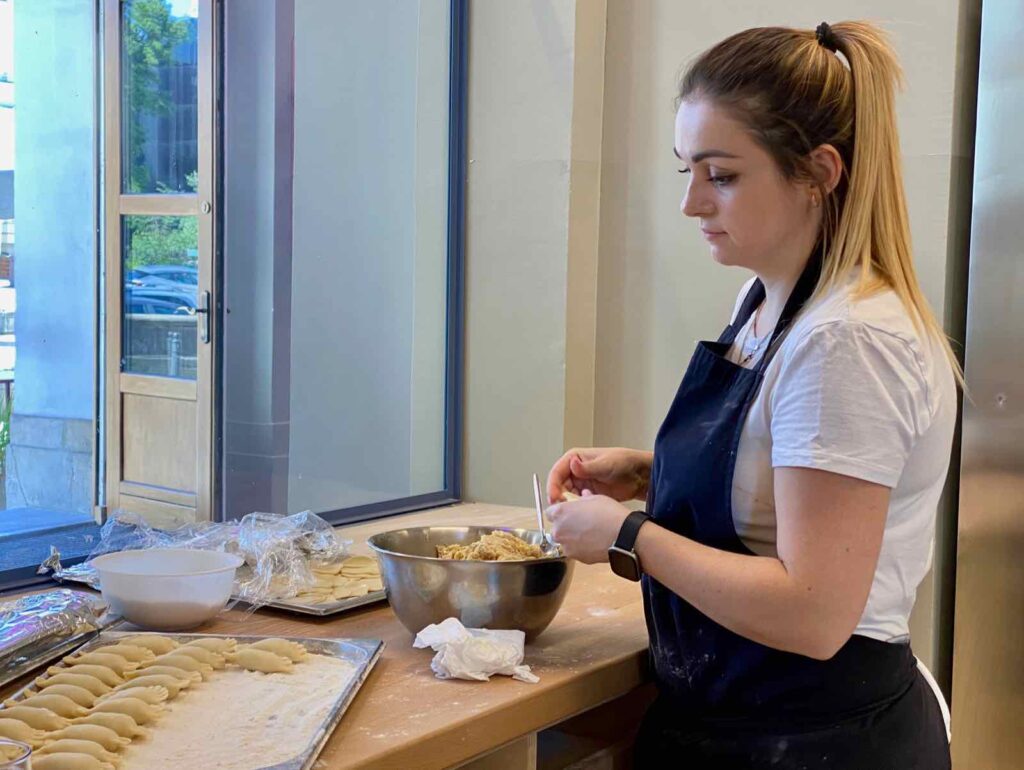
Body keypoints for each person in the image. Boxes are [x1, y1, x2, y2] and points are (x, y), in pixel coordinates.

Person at [545, 21, 956, 769]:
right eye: (687, 172)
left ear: (819, 173)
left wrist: (630, 535)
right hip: (735, 726)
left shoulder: (847, 342)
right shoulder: (762, 302)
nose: (692, 203)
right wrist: (650, 475)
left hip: (818, 739)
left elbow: (814, 612)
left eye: (722, 175)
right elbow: (786, 491)